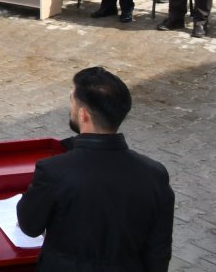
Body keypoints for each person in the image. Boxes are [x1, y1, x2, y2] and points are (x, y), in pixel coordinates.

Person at [17, 67, 173, 270]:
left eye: (71, 99)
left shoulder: (54, 171)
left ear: (83, 115)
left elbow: (29, 226)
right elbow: (158, 252)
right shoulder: (155, 174)